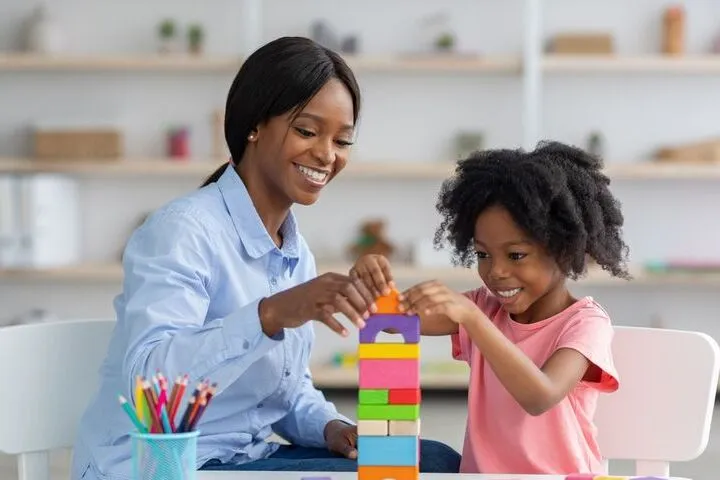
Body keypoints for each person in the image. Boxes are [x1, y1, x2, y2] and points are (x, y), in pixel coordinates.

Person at [70, 36, 460, 480]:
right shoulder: (182, 230)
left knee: (433, 461)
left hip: (243, 459)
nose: (327, 155)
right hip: (162, 464)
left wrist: (330, 427)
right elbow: (148, 383)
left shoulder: (296, 254)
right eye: (307, 131)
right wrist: (270, 315)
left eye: (343, 140)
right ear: (254, 125)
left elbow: (281, 393)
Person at [351, 141, 629, 475]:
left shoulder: (585, 323)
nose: (495, 271)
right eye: (483, 254)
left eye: (515, 255)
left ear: (566, 250)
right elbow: (388, 319)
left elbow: (540, 396)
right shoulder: (484, 307)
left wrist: (471, 319)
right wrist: (372, 280)